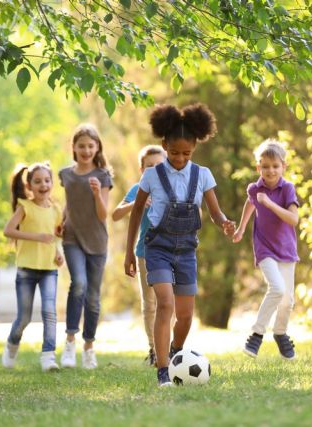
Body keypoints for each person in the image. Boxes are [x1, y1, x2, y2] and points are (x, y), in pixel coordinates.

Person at [124, 104, 236, 386]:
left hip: (186, 251)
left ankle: (175, 353)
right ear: (164, 145)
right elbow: (136, 212)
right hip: (158, 249)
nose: (179, 158)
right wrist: (128, 253)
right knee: (165, 304)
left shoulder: (203, 175)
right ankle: (163, 370)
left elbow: (214, 212)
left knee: (185, 317)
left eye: (186, 153)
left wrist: (224, 222)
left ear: (195, 147)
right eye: (174, 153)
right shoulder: (151, 175)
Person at [232, 139, 299, 360]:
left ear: (283, 167)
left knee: (287, 300)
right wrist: (241, 228)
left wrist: (269, 204)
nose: (270, 171)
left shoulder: (287, 188)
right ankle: (256, 334)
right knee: (277, 288)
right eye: (265, 166)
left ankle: (280, 333)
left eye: (275, 166)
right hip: (264, 249)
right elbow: (250, 203)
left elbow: (293, 219)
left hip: (286, 250)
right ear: (258, 167)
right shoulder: (255, 188)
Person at [58, 124, 112, 369]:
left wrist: (97, 194)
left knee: (92, 297)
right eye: (82, 145)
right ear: (74, 148)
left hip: (97, 241)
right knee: (78, 284)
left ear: (97, 147)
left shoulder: (102, 176)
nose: (86, 150)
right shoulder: (66, 175)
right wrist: (61, 221)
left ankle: (89, 347)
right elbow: (69, 204)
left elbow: (103, 215)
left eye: (91, 145)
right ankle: (69, 343)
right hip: (72, 238)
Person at [1, 162, 64, 372]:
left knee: (49, 312)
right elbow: (8, 230)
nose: (43, 185)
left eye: (47, 180)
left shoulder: (56, 210)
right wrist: (36, 237)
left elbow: (54, 238)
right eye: (37, 181)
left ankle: (48, 356)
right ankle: (11, 346)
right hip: (26, 269)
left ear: (52, 183)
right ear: (29, 186)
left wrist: (58, 255)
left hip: (49, 269)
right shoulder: (24, 207)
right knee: (24, 317)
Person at [112, 145, 166, 367]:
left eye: (159, 165)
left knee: (168, 302)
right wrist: (138, 203)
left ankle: (167, 346)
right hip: (144, 252)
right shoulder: (138, 189)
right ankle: (154, 349)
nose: (154, 170)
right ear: (141, 169)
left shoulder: (173, 187)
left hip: (169, 251)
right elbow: (116, 215)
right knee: (150, 303)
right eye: (149, 166)